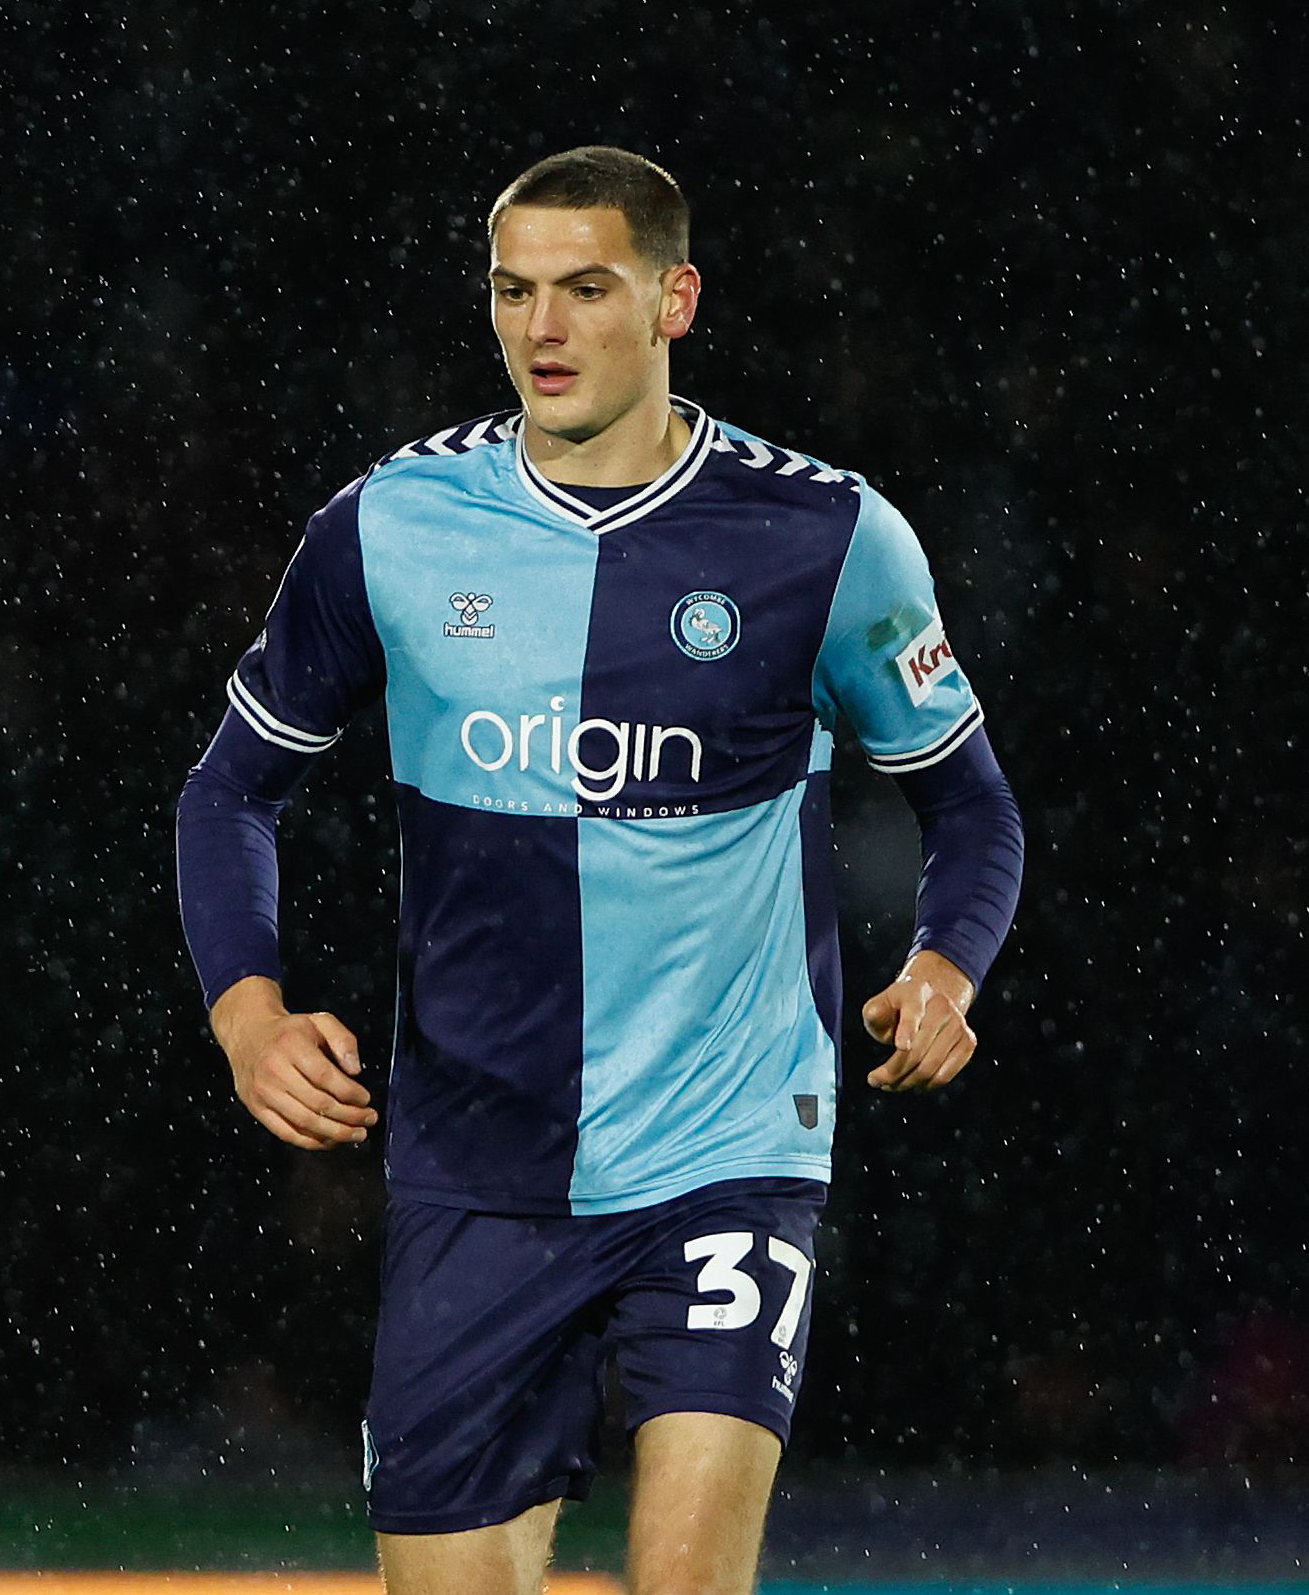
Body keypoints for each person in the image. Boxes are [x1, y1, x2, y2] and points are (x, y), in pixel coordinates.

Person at [176, 145, 1025, 1595]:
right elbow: (229, 790)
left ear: (674, 299)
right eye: (514, 292)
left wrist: (944, 972)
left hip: (726, 1150)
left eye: (585, 288)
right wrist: (245, 1011)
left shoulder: (823, 534)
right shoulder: (384, 528)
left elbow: (973, 811)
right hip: (478, 1170)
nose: (542, 330)